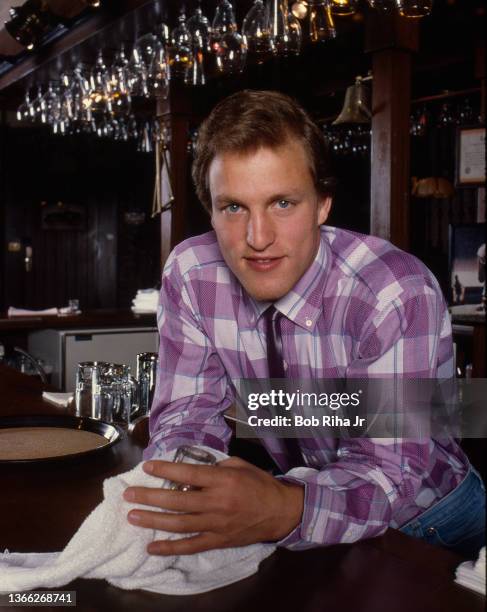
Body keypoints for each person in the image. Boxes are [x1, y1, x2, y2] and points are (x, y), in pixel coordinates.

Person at [124, 90, 485, 559]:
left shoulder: (393, 290)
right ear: (209, 209)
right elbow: (186, 417)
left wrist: (281, 508)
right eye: (233, 207)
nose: (258, 239)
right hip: (307, 509)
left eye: (283, 203)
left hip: (434, 521)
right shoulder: (192, 274)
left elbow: (389, 473)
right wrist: (184, 495)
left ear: (322, 204)